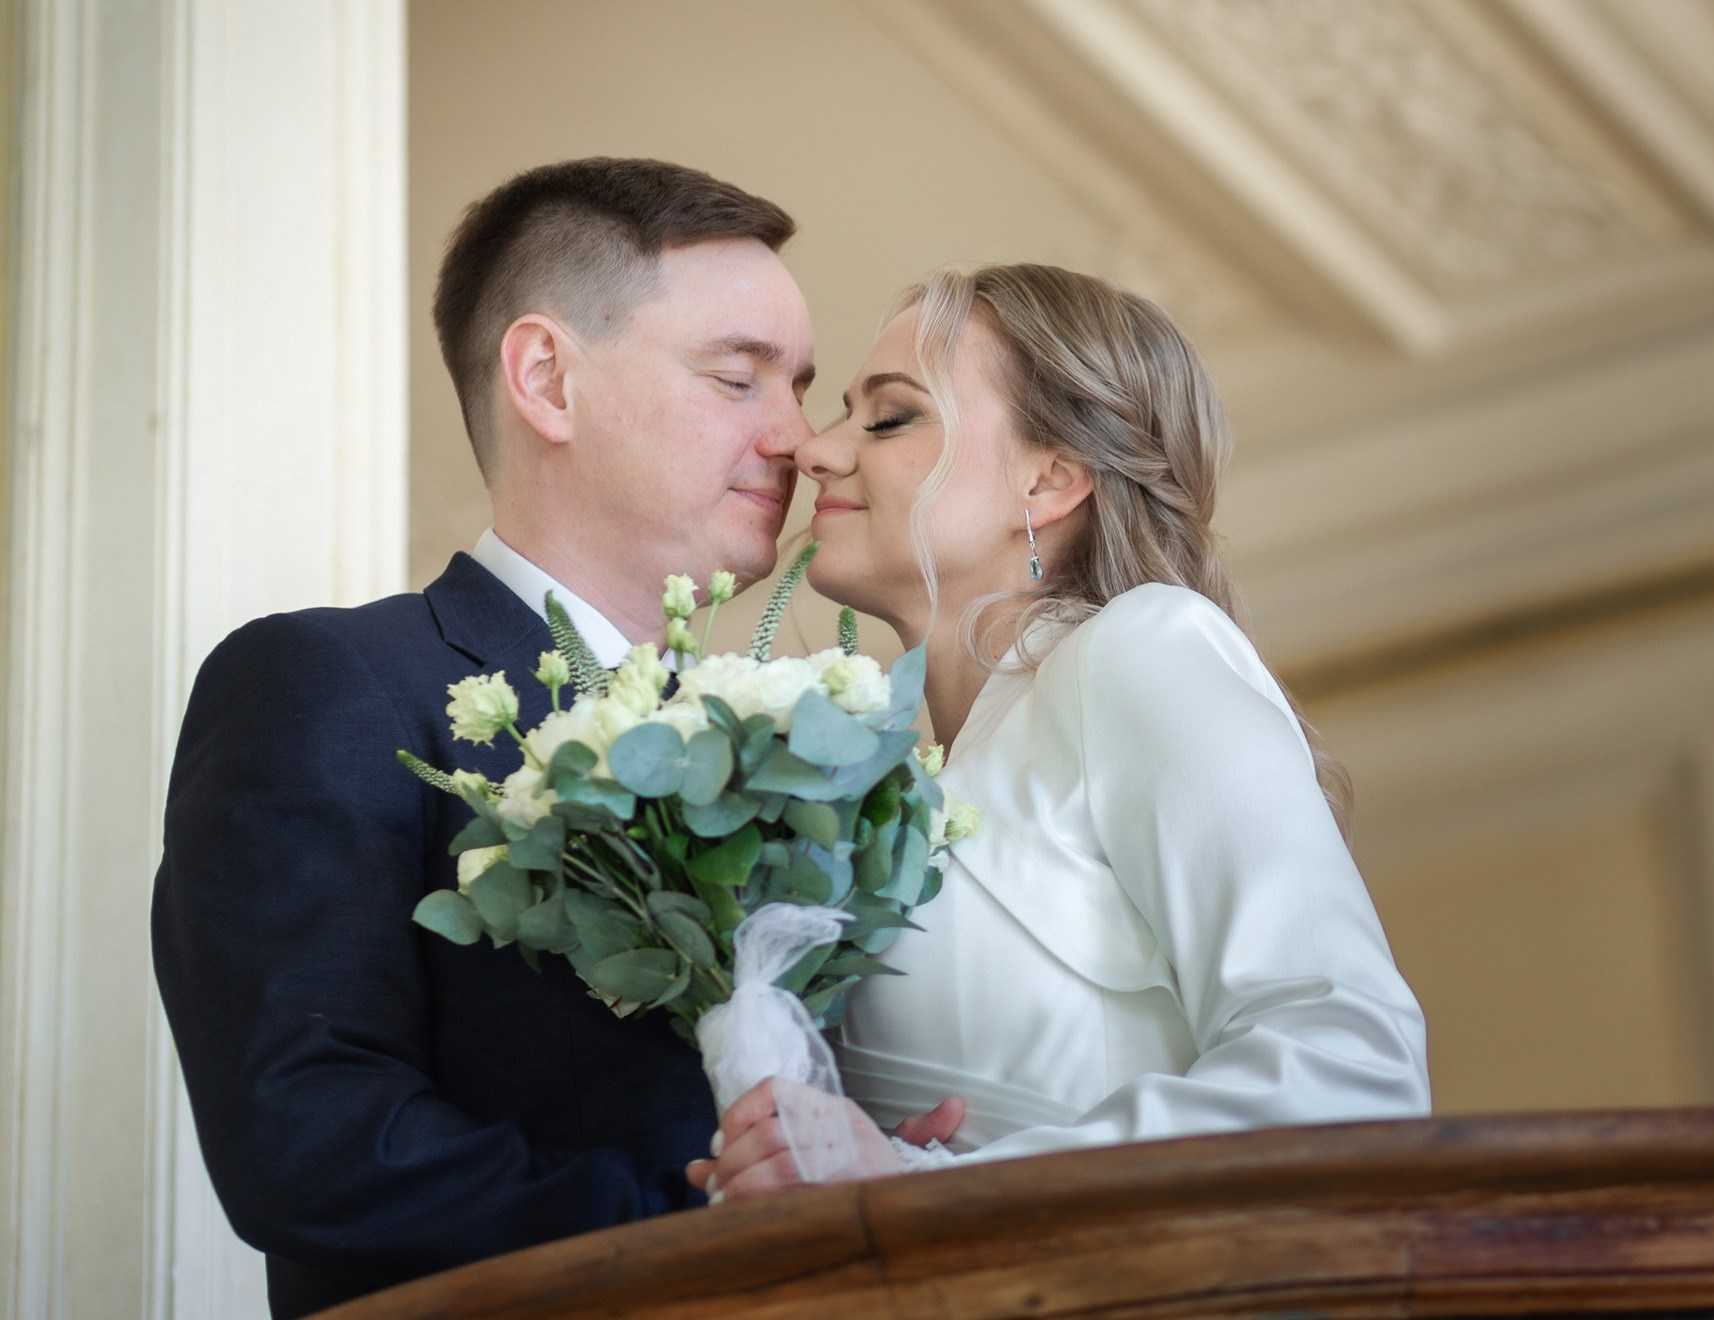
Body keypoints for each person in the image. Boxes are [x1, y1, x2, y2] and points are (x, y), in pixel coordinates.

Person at [151, 157, 957, 1318]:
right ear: (546, 379)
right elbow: (314, 1140)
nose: (799, 438)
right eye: (739, 378)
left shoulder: (792, 743)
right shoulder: (333, 685)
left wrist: (883, 1167)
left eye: (802, 386)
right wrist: (724, 1235)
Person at [690, 263, 1430, 1202]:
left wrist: (933, 1188)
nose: (815, 451)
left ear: (1048, 481)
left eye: (890, 418)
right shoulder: (885, 785)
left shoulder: (1139, 649)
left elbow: (1352, 1070)